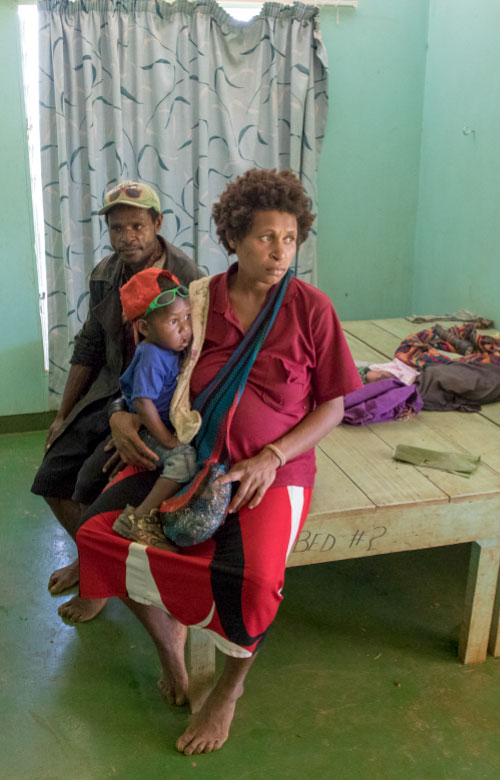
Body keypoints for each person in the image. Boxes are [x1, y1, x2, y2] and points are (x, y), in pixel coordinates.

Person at [72, 168, 362, 755]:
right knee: (99, 537)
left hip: (271, 470)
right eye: (263, 237)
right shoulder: (195, 303)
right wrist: (123, 418)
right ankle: (169, 643)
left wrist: (272, 456)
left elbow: (332, 406)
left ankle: (228, 691)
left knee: (254, 579)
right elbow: (145, 374)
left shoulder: (311, 309)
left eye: (289, 238)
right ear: (233, 238)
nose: (279, 251)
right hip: (189, 456)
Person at [31, 180, 202, 622]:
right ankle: (92, 560)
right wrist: (64, 415)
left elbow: (200, 361)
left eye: (137, 226)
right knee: (51, 475)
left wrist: (135, 420)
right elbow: (90, 347)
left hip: (158, 406)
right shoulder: (106, 275)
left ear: (157, 224)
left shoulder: (190, 279)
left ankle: (98, 576)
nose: (128, 237)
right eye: (118, 228)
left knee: (93, 484)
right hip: (113, 393)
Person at [111, 268, 197, 550]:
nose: (185, 328)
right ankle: (139, 518)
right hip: (150, 428)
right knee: (183, 460)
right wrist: (166, 440)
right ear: (145, 328)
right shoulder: (151, 354)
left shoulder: (170, 348)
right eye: (174, 321)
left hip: (162, 422)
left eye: (187, 317)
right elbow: (143, 404)